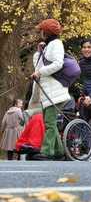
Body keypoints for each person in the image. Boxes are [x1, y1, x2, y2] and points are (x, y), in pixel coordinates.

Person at [28, 19, 72, 161]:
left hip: (56, 92)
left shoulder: (57, 44)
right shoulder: (49, 45)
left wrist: (40, 72)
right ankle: (59, 152)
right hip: (48, 93)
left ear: (47, 32)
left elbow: (58, 64)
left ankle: (47, 151)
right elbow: (38, 66)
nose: (40, 33)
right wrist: (39, 52)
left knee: (49, 122)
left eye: (42, 30)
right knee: (50, 121)